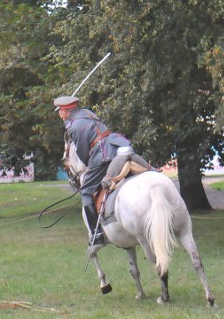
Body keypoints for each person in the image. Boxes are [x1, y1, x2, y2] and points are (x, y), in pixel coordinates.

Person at [54, 95, 152, 246]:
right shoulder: (87, 113)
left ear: (66, 111)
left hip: (102, 156)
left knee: (86, 192)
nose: (59, 114)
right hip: (117, 146)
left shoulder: (74, 128)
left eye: (60, 111)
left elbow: (82, 152)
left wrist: (90, 164)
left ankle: (97, 234)